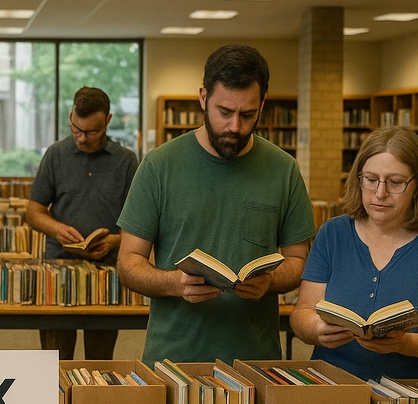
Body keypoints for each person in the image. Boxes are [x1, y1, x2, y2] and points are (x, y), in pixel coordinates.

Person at [116, 44, 315, 365]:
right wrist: (173, 283)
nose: (234, 126)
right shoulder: (159, 165)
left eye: (247, 114)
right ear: (203, 98)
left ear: (262, 104)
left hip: (256, 362)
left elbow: (298, 261)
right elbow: (128, 262)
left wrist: (271, 281)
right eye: (224, 112)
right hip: (173, 360)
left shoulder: (283, 169)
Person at [290, 126, 418, 380]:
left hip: (412, 394)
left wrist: (407, 344)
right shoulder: (333, 233)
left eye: (395, 182)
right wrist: (317, 329)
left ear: (417, 184)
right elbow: (301, 314)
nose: (380, 193)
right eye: (370, 179)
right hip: (332, 386)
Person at [26, 86, 138, 360]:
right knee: (54, 362)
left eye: (91, 132)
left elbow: (140, 222)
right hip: (58, 268)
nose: (82, 138)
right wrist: (56, 228)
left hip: (105, 271)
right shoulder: (55, 154)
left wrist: (113, 240)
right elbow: (33, 211)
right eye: (76, 129)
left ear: (108, 121)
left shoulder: (126, 161)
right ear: (70, 116)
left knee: (99, 362)